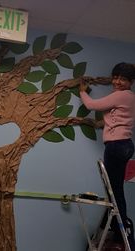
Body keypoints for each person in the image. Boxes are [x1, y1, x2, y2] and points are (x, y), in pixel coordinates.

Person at [79, 62, 135, 250]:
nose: (117, 82)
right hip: (125, 144)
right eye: (116, 77)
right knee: (114, 189)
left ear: (131, 82)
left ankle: (120, 230)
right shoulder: (129, 97)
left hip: (116, 145)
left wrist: (82, 91)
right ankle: (115, 226)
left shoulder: (121, 95)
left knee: (114, 189)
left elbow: (92, 105)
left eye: (123, 79)